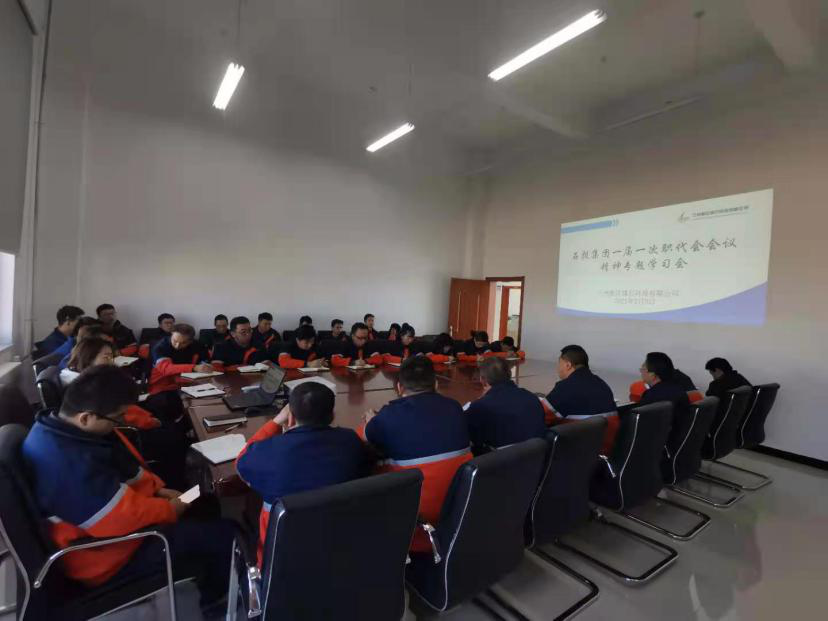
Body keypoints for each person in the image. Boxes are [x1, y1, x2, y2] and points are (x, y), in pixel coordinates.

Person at [22, 366, 237, 616]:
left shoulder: (58, 430)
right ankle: (215, 603)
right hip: (109, 553)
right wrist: (171, 507)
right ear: (86, 417)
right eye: (118, 417)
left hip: (120, 523)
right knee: (227, 533)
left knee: (202, 496)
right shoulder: (66, 464)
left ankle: (206, 563)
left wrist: (160, 490)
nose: (122, 422)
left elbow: (124, 475)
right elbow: (121, 518)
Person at [236, 383, 373, 564]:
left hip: (281, 564)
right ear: (332, 415)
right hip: (341, 555)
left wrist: (276, 422)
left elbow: (241, 463)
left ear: (291, 417)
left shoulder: (267, 452)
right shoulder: (351, 442)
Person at [361, 357, 471, 552]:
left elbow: (365, 436)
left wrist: (372, 420)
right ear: (436, 384)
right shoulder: (454, 407)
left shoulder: (389, 416)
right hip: (459, 504)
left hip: (416, 511)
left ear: (399, 387)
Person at [60, 337, 189, 489]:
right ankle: (182, 486)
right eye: (106, 357)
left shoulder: (84, 379)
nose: (112, 362)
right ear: (88, 358)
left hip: (126, 433)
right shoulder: (89, 387)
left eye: (112, 357)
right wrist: (152, 421)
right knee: (177, 437)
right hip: (129, 434)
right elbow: (122, 415)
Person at [544, 345, 618, 453]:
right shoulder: (601, 383)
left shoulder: (566, 387)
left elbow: (542, 416)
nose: (557, 368)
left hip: (577, 452)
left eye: (559, 363)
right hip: (605, 449)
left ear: (568, 365)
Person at [466, 357, 546, 452]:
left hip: (499, 459)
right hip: (537, 457)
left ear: (482, 380)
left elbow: (468, 437)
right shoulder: (532, 398)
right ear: (510, 374)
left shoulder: (480, 407)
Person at [150, 323, 213, 393]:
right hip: (163, 386)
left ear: (190, 341)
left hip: (188, 383)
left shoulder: (198, 345)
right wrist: (194, 367)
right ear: (171, 334)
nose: (177, 346)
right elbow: (166, 369)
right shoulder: (160, 347)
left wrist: (206, 366)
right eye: (175, 341)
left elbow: (205, 361)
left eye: (183, 343)